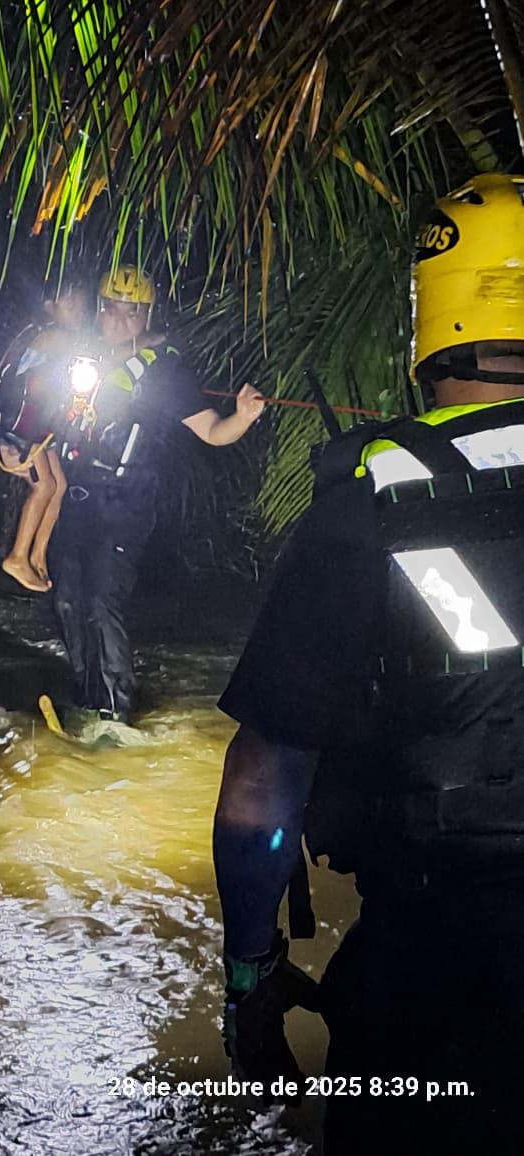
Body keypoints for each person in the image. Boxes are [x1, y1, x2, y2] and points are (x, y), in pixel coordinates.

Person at [213, 172, 524, 1155]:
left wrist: (250, 974)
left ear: (428, 322)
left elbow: (262, 785)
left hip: (433, 960)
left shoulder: (369, 504)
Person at [50, 264, 265, 723]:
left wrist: (243, 417)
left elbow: (213, 431)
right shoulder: (84, 356)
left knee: (101, 600)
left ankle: (116, 709)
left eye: (132, 311)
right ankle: (83, 691)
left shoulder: (164, 371)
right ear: (99, 310)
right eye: (111, 309)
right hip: (77, 492)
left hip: (128, 498)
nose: (120, 319)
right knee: (66, 596)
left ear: (147, 314)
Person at [0, 284, 92, 592]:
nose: (78, 313)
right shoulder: (53, 336)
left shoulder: (38, 332)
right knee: (44, 487)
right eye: (70, 305)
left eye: (81, 307)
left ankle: (37, 555)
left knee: (59, 486)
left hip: (37, 426)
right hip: (19, 426)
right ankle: (17, 557)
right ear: (49, 306)